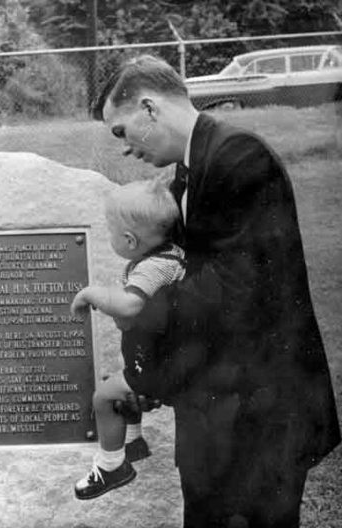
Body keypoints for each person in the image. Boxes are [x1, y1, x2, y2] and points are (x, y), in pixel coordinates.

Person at [92, 54, 340, 528]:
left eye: (121, 131)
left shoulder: (240, 158)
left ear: (149, 108)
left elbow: (233, 291)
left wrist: (137, 324)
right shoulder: (193, 168)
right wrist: (152, 372)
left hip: (261, 419)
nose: (124, 148)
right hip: (216, 414)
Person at [71, 178, 186, 500]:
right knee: (119, 384)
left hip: (159, 365)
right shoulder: (170, 256)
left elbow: (129, 305)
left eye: (109, 231)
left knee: (103, 397)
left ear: (129, 240)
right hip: (157, 359)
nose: (108, 236)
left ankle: (111, 466)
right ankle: (133, 442)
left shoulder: (152, 269)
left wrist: (91, 293)